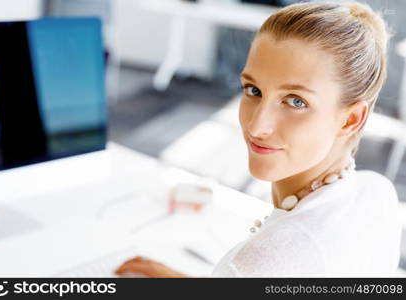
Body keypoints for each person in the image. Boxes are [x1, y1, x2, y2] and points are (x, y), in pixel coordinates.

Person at [114, 1, 402, 277]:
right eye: (253, 90)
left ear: (351, 119)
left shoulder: (264, 263)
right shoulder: (378, 194)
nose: (257, 125)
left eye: (296, 101)